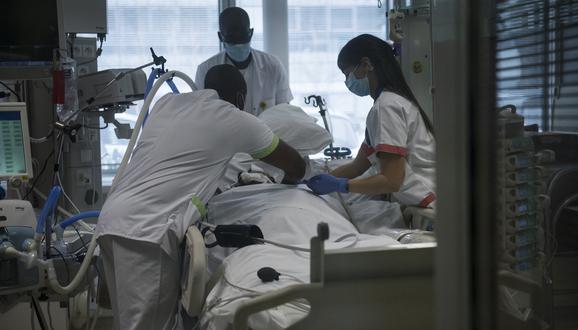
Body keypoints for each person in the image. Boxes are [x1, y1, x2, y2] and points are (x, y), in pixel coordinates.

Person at [96, 64, 305, 330]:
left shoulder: (166, 104)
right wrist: (285, 185)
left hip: (111, 220)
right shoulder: (236, 119)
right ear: (241, 98)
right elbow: (296, 166)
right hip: (147, 231)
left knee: (127, 323)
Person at [305, 34, 436, 208]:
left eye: (347, 74)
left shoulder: (387, 106)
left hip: (429, 202)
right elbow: (357, 166)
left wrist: (342, 186)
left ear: (366, 64)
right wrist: (311, 184)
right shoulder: (387, 103)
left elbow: (391, 181)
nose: (347, 82)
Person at [195, 7, 292, 116]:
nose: (238, 44)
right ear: (220, 36)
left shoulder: (273, 65)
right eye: (232, 37)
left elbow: (285, 112)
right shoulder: (206, 70)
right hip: (225, 132)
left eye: (242, 36)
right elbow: (202, 114)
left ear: (251, 33)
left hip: (267, 132)